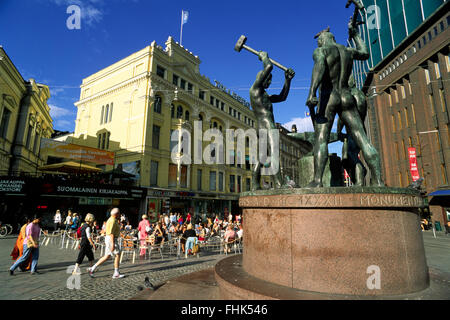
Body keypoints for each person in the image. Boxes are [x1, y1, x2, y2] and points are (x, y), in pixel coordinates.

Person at [305, 22, 383, 187]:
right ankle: (378, 180)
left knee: (321, 139)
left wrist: (312, 92)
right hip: (346, 96)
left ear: (322, 40)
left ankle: (318, 180)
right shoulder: (347, 51)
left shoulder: (321, 51)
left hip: (329, 97)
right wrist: (355, 35)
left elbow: (319, 67)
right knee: (362, 139)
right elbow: (364, 53)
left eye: (319, 41)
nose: (318, 43)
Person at [249, 50, 295, 190]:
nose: (269, 82)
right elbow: (268, 67)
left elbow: (282, 97)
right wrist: (265, 58)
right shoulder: (255, 89)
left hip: (261, 125)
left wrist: (288, 80)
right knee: (274, 152)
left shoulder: (265, 96)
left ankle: (255, 184)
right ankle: (280, 184)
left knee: (262, 157)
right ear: (263, 78)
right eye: (268, 80)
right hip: (267, 124)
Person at [87, 208, 125, 279]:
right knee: (117, 254)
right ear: (116, 214)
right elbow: (111, 233)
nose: (120, 214)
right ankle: (116, 273)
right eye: (119, 213)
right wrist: (113, 243)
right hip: (112, 239)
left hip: (110, 238)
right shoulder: (112, 221)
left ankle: (92, 268)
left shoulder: (111, 220)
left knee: (107, 256)